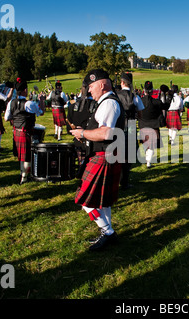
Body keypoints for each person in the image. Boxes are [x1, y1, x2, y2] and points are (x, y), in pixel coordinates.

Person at [70, 69, 125, 252]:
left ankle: (107, 232)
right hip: (106, 154)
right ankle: (107, 233)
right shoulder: (105, 102)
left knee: (85, 201)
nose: (89, 90)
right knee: (104, 202)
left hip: (104, 156)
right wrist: (85, 135)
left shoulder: (109, 103)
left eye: (91, 86)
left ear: (102, 84)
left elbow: (106, 132)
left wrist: (83, 133)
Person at [4, 78, 43, 185]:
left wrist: (16, 119)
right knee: (27, 156)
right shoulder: (29, 104)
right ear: (25, 90)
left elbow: (6, 118)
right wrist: (41, 100)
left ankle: (22, 173)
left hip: (16, 131)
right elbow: (41, 112)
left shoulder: (11, 102)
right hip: (25, 132)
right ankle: (25, 178)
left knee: (21, 155)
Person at [115, 71, 145, 190]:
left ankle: (117, 180)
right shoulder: (135, 97)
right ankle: (125, 182)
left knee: (117, 154)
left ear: (122, 82)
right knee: (129, 156)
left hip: (118, 126)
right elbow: (141, 114)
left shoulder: (115, 95)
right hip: (131, 126)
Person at [139, 81, 168, 168]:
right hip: (153, 126)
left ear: (144, 90)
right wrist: (168, 96)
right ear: (151, 91)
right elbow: (166, 106)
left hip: (143, 125)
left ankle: (147, 159)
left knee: (146, 144)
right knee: (151, 146)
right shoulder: (157, 102)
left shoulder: (139, 101)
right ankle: (148, 162)